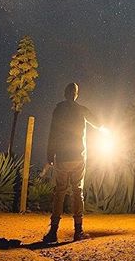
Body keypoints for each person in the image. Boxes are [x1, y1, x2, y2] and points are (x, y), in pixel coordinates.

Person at [43, 82, 103, 243]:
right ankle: (78, 230)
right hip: (78, 157)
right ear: (76, 94)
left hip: (62, 157)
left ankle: (53, 231)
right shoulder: (81, 109)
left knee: (60, 192)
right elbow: (98, 123)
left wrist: (50, 155)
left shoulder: (58, 110)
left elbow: (52, 132)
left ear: (65, 93)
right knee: (78, 192)